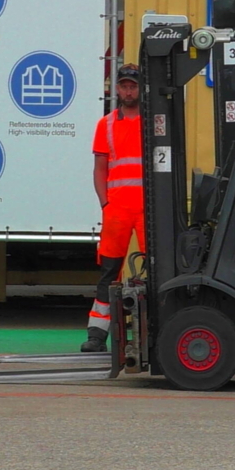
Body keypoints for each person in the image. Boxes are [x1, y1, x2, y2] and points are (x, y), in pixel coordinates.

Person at [81, 63, 146, 353]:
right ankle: (97, 334)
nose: (128, 90)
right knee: (110, 272)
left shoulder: (154, 121)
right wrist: (105, 203)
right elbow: (99, 169)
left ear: (140, 88)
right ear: (117, 88)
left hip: (148, 210)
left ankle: (154, 330)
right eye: (124, 86)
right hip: (117, 209)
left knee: (156, 270)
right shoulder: (105, 124)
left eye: (133, 85)